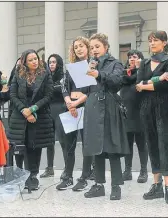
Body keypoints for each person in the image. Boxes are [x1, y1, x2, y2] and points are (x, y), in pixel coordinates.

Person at [83, 33, 129, 200]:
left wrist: (99, 74)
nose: (94, 50)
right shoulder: (89, 65)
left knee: (112, 146)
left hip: (109, 106)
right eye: (92, 47)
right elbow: (85, 89)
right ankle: (98, 185)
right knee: (96, 147)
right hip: (93, 106)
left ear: (106, 47)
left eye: (97, 46)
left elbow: (117, 81)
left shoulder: (115, 63)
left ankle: (116, 186)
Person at [135, 30, 168, 204]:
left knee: (164, 145)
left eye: (156, 40)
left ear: (164, 42)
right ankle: (156, 184)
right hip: (146, 109)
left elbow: (167, 86)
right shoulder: (144, 62)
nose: (152, 43)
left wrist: (148, 84)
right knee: (151, 145)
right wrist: (158, 78)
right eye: (150, 40)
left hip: (164, 108)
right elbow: (138, 85)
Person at [8, 49, 54, 190]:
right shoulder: (18, 74)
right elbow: (13, 94)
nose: (34, 61)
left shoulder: (45, 74)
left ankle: (33, 176)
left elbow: (48, 95)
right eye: (31, 60)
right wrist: (24, 111)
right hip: (20, 116)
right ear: (25, 62)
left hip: (39, 116)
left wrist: (33, 109)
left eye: (36, 58)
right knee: (21, 145)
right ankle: (21, 175)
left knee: (35, 146)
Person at [57, 36, 95, 191]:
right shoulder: (71, 67)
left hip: (86, 107)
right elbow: (64, 87)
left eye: (81, 46)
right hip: (71, 108)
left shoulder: (92, 66)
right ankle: (68, 176)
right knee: (68, 145)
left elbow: (92, 90)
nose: (78, 49)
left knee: (87, 144)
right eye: (75, 47)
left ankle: (85, 176)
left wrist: (76, 103)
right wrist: (69, 103)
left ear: (87, 47)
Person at [120, 49, 148, 183]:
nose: (131, 59)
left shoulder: (143, 73)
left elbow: (142, 84)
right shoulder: (124, 75)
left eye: (135, 57)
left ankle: (143, 171)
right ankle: (127, 170)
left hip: (140, 113)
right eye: (130, 57)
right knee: (128, 144)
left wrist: (139, 69)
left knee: (142, 144)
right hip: (126, 113)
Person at [39, 53, 64, 179]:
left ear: (58, 63)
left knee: (64, 140)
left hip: (60, 110)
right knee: (49, 141)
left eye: (54, 62)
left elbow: (62, 90)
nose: (51, 64)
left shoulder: (63, 77)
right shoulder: (46, 77)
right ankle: (49, 168)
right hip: (49, 111)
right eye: (50, 62)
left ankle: (67, 168)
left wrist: (51, 88)